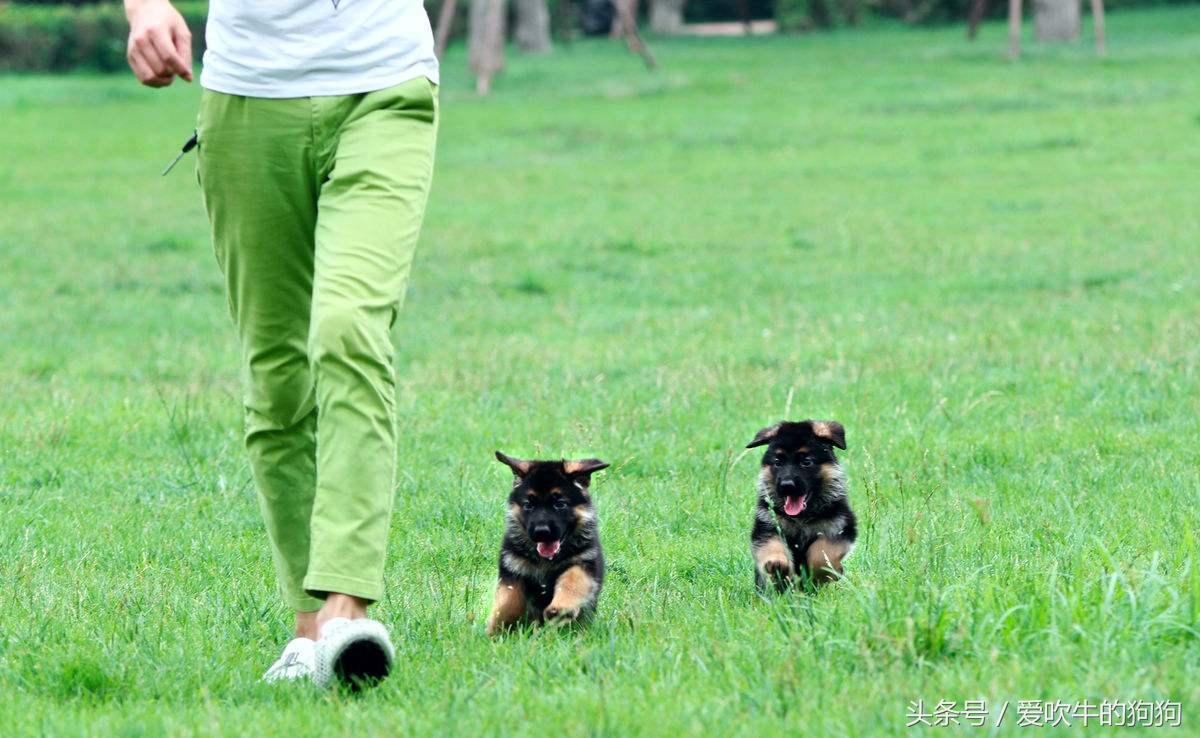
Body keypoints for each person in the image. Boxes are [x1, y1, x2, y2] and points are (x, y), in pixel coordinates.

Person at [123, 0, 439, 688]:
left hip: (384, 85)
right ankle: (306, 626)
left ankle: (347, 610)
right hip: (246, 100)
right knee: (276, 373)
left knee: (349, 327)